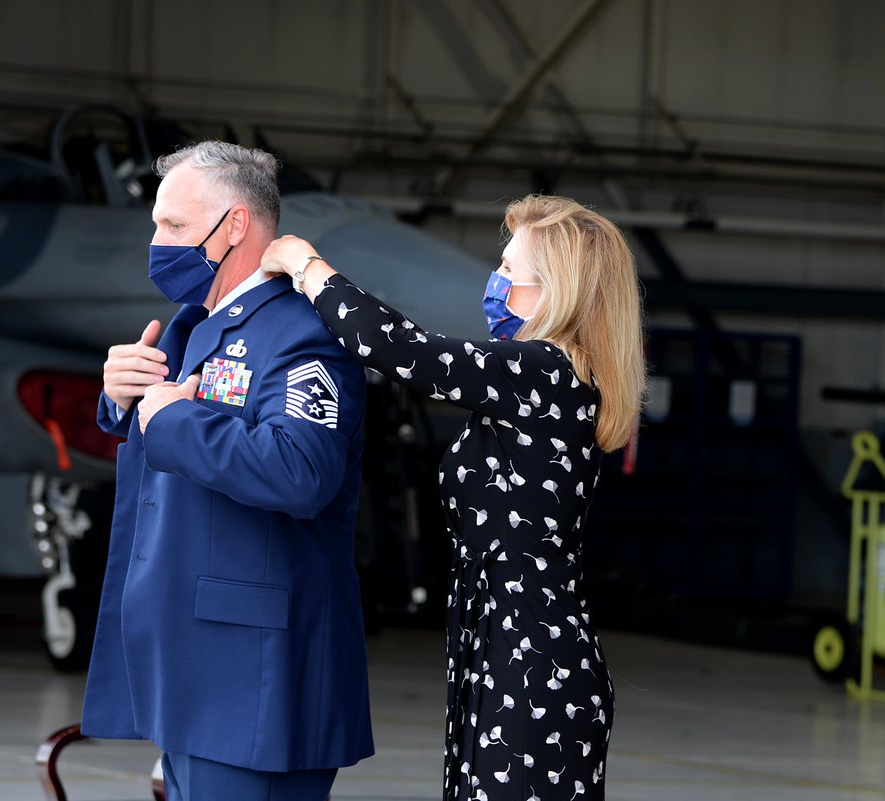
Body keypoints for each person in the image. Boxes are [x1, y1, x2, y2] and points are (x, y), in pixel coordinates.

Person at [261, 194, 645, 801]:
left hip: (531, 659)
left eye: (510, 276)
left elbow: (405, 352)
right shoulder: (545, 384)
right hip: (498, 641)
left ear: (559, 292)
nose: (495, 286)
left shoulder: (544, 372)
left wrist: (308, 266)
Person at [81, 141, 373, 801]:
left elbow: (301, 471)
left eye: (174, 227)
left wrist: (171, 419)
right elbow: (180, 443)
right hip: (196, 669)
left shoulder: (305, 332)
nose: (158, 242)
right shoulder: (195, 326)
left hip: (253, 681)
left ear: (234, 226)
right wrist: (123, 399)